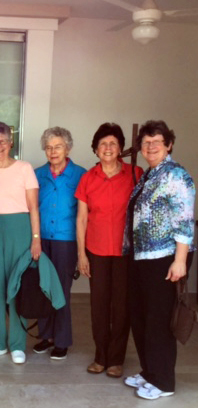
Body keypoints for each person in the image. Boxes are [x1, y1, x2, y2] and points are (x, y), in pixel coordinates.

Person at [123, 120, 195, 400]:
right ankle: (149, 371)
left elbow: (185, 222)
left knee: (159, 320)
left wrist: (180, 261)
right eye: (146, 142)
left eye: (157, 142)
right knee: (141, 316)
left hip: (165, 258)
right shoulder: (150, 175)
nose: (151, 146)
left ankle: (164, 381)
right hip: (142, 257)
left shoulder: (176, 176)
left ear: (169, 145)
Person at [75, 123, 143, 378]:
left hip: (126, 252)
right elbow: (81, 219)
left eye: (113, 143)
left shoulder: (135, 173)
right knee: (99, 306)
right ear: (95, 149)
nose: (108, 148)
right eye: (103, 144)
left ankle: (116, 359)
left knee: (122, 307)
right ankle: (100, 356)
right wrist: (81, 255)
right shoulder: (87, 179)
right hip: (97, 250)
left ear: (121, 149)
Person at [0, 121, 42, 365]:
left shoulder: (25, 168)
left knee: (19, 287)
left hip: (21, 230)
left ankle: (17, 344)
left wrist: (36, 239)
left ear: (11, 142)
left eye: (3, 140)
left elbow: (34, 207)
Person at [33, 127, 86, 360]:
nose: (53, 151)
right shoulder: (36, 174)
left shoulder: (81, 175)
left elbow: (86, 214)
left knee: (62, 290)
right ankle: (45, 336)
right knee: (42, 287)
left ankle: (62, 340)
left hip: (66, 240)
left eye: (58, 146)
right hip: (41, 239)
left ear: (68, 148)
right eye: (48, 147)